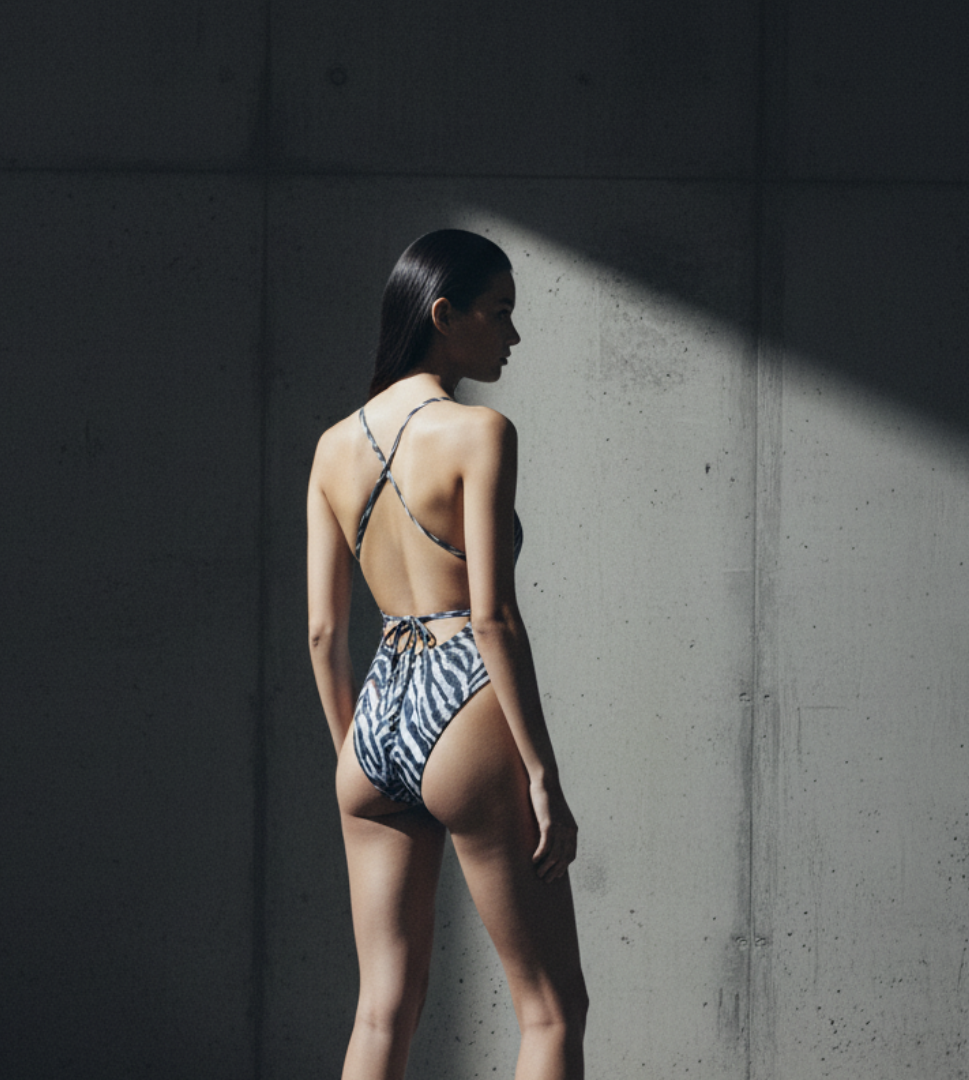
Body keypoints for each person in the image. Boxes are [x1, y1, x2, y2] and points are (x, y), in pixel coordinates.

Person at [307, 229, 588, 1080]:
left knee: (383, 1011)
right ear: (444, 314)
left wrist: (354, 756)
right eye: (499, 313)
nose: (513, 336)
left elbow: (323, 632)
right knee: (550, 1011)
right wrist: (542, 772)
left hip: (377, 712)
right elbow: (494, 617)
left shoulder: (331, 446)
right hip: (463, 692)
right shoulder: (479, 432)